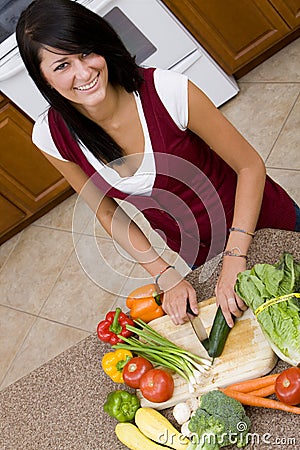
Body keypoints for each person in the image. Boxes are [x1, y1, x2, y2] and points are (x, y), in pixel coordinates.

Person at [16, 0, 299, 328]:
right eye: (62, 66)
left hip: (264, 224)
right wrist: (165, 274)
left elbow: (250, 166)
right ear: (44, 79)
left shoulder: (168, 91)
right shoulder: (51, 137)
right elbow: (108, 212)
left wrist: (236, 256)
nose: (83, 73)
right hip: (199, 255)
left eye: (86, 52)